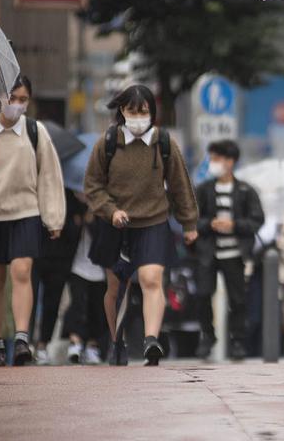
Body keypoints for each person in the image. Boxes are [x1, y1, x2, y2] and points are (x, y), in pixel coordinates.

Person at [84, 85, 199, 366]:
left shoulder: (163, 142)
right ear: (122, 111)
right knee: (115, 287)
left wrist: (189, 223)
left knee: (151, 279)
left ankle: (150, 340)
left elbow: (180, 185)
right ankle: (117, 341)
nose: (138, 116)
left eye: (144, 111)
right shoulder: (108, 142)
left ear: (152, 112)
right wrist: (111, 211)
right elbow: (93, 186)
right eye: (132, 111)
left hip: (153, 222)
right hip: (115, 225)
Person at [0, 74, 66, 366]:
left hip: (26, 212)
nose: (18, 106)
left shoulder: (35, 131)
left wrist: (53, 217)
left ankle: (22, 340)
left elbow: (49, 176)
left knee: (23, 272)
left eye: (24, 100)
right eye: (13, 99)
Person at [193, 139, 265, 361]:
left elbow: (257, 220)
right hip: (208, 252)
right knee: (204, 294)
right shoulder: (203, 190)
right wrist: (209, 224)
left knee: (238, 299)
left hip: (235, 253)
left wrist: (234, 225)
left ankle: (238, 342)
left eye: (217, 159)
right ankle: (207, 336)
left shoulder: (245, 190)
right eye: (211, 158)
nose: (213, 163)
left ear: (230, 161)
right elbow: (192, 218)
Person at [33, 189, 84, 365]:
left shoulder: (71, 191)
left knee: (52, 302)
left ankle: (41, 344)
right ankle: (26, 341)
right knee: (30, 298)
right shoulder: (38, 184)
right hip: (36, 249)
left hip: (60, 256)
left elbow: (77, 224)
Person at [62, 195, 108, 365]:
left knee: (97, 308)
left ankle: (92, 346)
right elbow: (67, 234)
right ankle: (75, 342)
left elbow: (103, 238)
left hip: (99, 269)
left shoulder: (104, 208)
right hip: (77, 266)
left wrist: (91, 217)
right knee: (77, 304)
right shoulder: (73, 203)